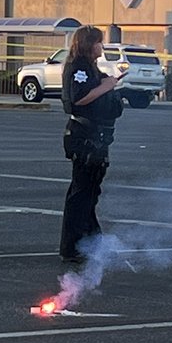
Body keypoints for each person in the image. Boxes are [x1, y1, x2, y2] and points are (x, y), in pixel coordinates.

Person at [59, 25, 125, 263]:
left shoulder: (91, 67)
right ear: (88, 44)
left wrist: (109, 83)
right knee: (81, 193)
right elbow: (78, 99)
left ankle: (92, 240)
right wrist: (104, 87)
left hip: (96, 136)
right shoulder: (78, 67)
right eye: (98, 42)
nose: (101, 46)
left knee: (90, 192)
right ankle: (72, 245)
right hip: (83, 136)